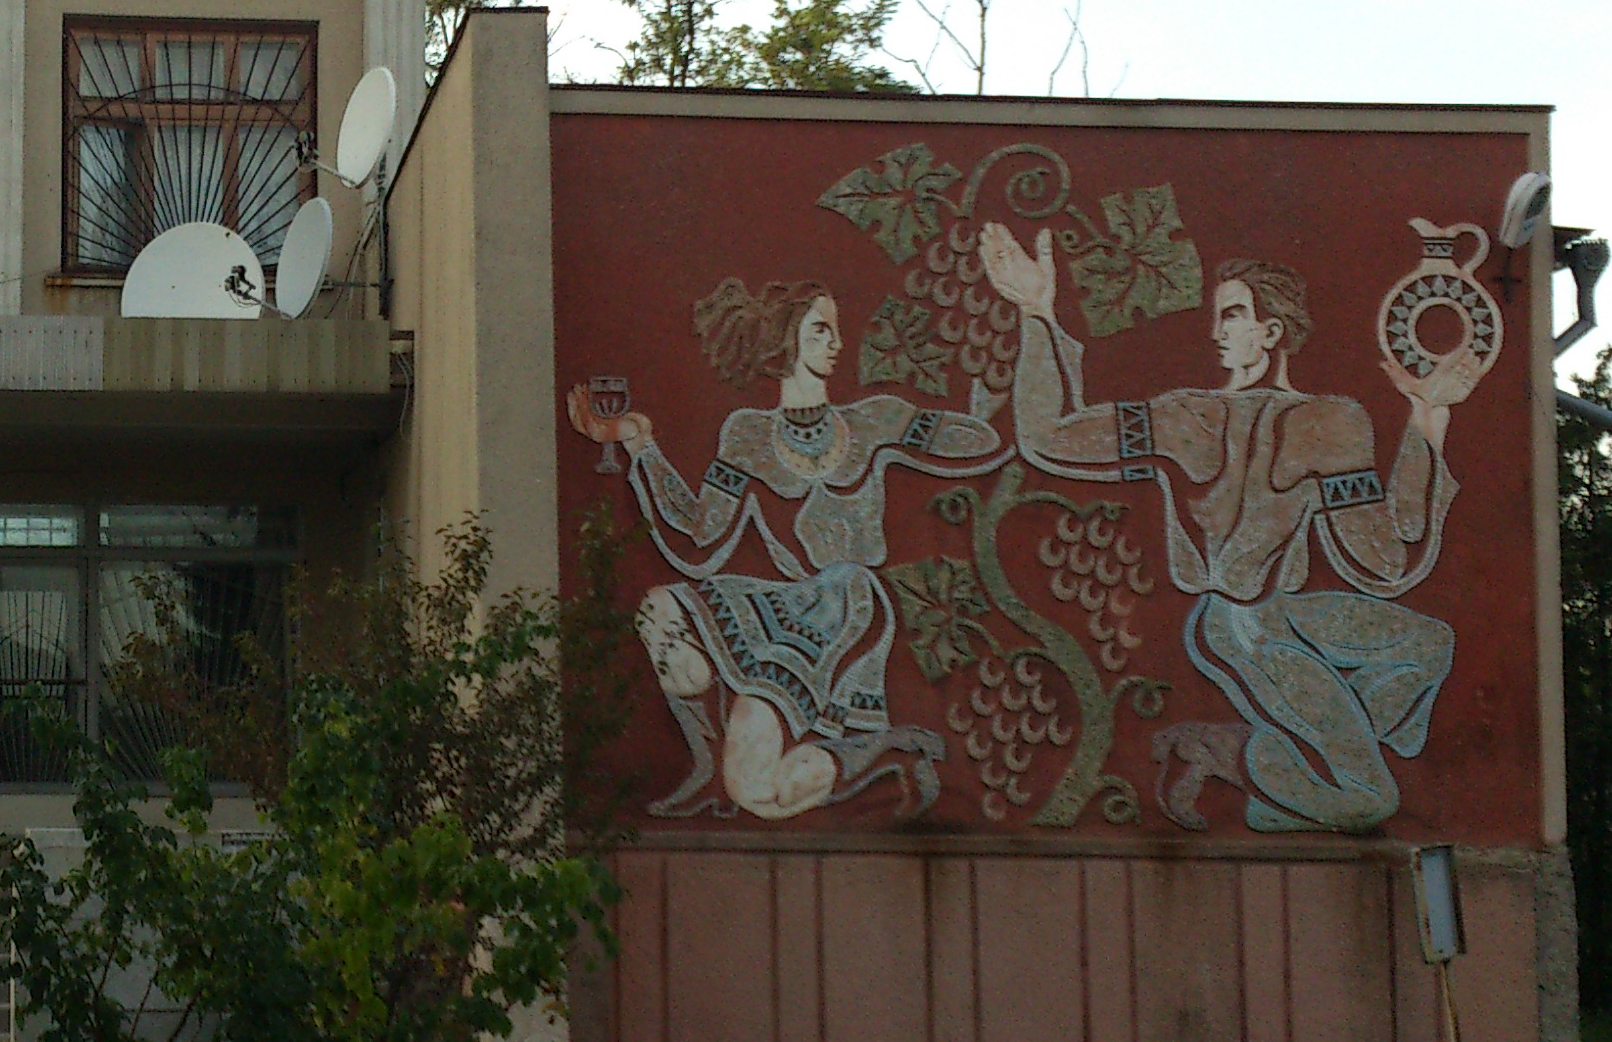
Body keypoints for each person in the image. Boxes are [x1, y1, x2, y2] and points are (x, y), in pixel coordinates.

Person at [977, 222, 1484, 833]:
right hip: (1243, 631)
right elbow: (1050, 438)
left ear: (1271, 333)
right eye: (1219, 316)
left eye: (1234, 316)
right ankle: (1230, 753)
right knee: (1373, 803)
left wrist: (1428, 416)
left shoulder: (1330, 424)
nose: (1217, 332)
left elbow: (1380, 561)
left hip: (1287, 613)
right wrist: (1036, 311)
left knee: (1432, 644)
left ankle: (1284, 776)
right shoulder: (1192, 418)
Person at [565, 278, 995, 818]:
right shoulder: (747, 435)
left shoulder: (871, 420)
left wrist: (968, 402)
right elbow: (698, 535)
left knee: (762, 797)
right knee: (660, 610)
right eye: (821, 331)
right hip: (788, 605)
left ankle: (888, 750)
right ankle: (708, 763)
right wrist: (637, 442)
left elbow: (979, 442)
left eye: (835, 330)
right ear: (785, 342)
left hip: (852, 606)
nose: (837, 343)